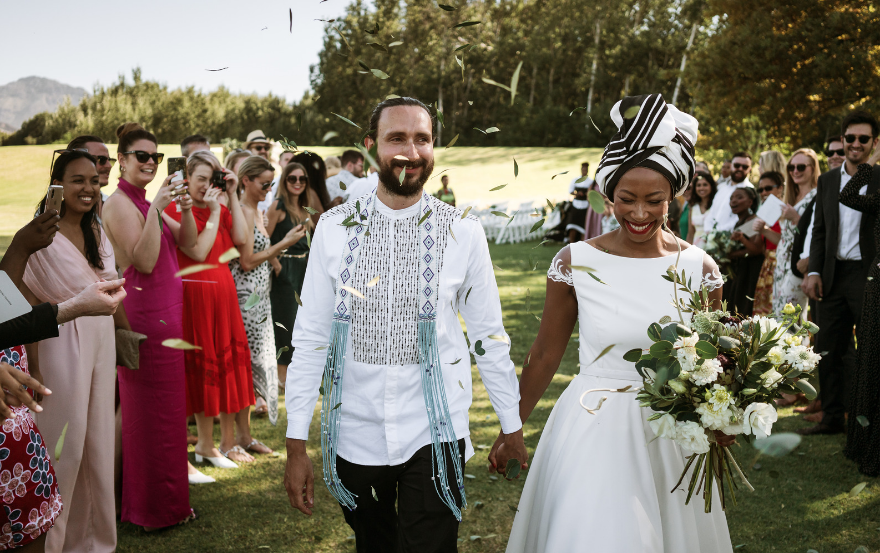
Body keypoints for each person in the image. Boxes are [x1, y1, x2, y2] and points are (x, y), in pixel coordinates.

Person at [283, 97, 527, 551]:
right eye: (396, 138)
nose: (410, 152)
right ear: (370, 145)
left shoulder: (462, 233)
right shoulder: (335, 229)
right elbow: (312, 338)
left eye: (423, 139)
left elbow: (489, 337)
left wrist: (510, 425)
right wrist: (296, 444)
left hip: (435, 431)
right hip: (354, 431)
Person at [501, 93, 732, 552]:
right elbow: (545, 353)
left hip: (670, 432)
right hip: (592, 424)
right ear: (609, 195)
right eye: (627, 199)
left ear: (675, 197)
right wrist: (512, 427)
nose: (640, 213)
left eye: (655, 200)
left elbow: (715, 357)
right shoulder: (575, 260)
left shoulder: (700, 268)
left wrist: (722, 416)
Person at [101, 123, 205, 524]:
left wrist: (185, 205)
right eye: (141, 156)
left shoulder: (147, 203)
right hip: (145, 320)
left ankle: (168, 502)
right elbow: (141, 262)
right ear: (123, 160)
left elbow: (192, 244)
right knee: (147, 420)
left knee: (167, 415)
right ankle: (149, 508)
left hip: (168, 318)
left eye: (155, 157)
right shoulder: (119, 204)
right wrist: (159, 208)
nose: (149, 162)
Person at [21, 150, 122, 552]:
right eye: (78, 180)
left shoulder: (97, 230)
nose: (88, 188)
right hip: (60, 342)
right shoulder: (41, 233)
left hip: (102, 339)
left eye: (94, 181)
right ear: (58, 184)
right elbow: (18, 299)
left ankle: (94, 543)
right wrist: (32, 361)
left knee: (98, 444)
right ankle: (50, 543)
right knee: (66, 444)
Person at [164, 151, 256, 464]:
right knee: (205, 364)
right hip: (196, 296)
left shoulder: (219, 204)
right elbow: (198, 252)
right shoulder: (178, 209)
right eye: (200, 179)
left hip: (224, 295)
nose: (205, 185)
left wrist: (231, 194)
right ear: (186, 179)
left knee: (227, 365)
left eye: (210, 179)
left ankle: (220, 442)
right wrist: (216, 211)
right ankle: (205, 443)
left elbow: (242, 240)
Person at [802, 111, 880, 435]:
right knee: (827, 348)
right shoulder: (828, 180)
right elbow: (819, 230)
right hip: (832, 274)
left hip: (867, 274)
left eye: (864, 139)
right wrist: (815, 270)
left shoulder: (877, 178)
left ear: (875, 143)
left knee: (870, 349)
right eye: (850, 138)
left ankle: (868, 421)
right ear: (843, 140)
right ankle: (833, 416)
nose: (856, 144)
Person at [229, 156, 300, 432]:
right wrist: (283, 243)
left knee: (256, 359)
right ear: (245, 181)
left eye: (272, 184)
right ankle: (240, 435)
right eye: (263, 183)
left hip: (261, 294)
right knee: (247, 362)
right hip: (247, 295)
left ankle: (245, 435)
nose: (268, 189)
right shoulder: (245, 212)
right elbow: (246, 261)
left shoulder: (258, 211)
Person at [842, 152, 880, 476]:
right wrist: (871, 163)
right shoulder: (878, 195)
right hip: (878, 285)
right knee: (872, 360)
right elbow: (848, 194)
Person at [267, 162, 311, 391]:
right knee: (286, 321)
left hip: (304, 269)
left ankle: (295, 374)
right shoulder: (277, 206)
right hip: (285, 269)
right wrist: (277, 267)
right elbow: (263, 238)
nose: (297, 183)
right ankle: (281, 377)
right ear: (284, 181)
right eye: (292, 179)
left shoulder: (305, 207)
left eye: (302, 179)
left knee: (302, 323)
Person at [751, 171, 785, 315]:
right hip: (768, 265)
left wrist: (764, 230)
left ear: (780, 188)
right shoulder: (765, 210)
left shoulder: (785, 210)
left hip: (781, 263)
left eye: (768, 188)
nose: (764, 192)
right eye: (761, 189)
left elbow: (786, 241)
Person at [727, 185, 764, 315]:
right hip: (741, 271)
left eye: (739, 197)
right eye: (732, 198)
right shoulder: (739, 223)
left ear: (750, 202)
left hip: (751, 272)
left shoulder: (754, 220)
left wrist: (733, 254)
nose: (733, 201)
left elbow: (757, 250)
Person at [67, 136, 115, 219]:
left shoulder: (114, 205)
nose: (109, 166)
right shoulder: (54, 212)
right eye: (101, 160)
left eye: (109, 160)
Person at [703, 152, 752, 233]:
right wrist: (708, 231)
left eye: (745, 167)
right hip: (709, 237)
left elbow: (741, 220)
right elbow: (712, 212)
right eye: (737, 165)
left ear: (749, 169)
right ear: (731, 165)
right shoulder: (722, 188)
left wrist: (715, 233)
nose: (740, 169)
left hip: (730, 239)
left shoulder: (750, 191)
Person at [564, 162, 595, 242]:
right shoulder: (575, 180)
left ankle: (583, 243)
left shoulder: (590, 182)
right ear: (581, 170)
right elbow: (570, 191)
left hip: (585, 205)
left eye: (586, 169)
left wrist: (586, 194)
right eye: (583, 169)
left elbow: (592, 193)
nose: (584, 171)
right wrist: (577, 193)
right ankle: (571, 243)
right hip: (576, 205)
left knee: (583, 226)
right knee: (572, 225)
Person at [257, 149, 296, 214]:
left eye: (292, 160)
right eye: (286, 159)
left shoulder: (301, 183)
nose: (290, 162)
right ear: (279, 162)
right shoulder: (272, 183)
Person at [686, 170, 716, 246]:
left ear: (711, 186)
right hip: (697, 246)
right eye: (698, 185)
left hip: (713, 246)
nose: (701, 188)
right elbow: (690, 233)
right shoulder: (693, 208)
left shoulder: (716, 206)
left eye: (705, 185)